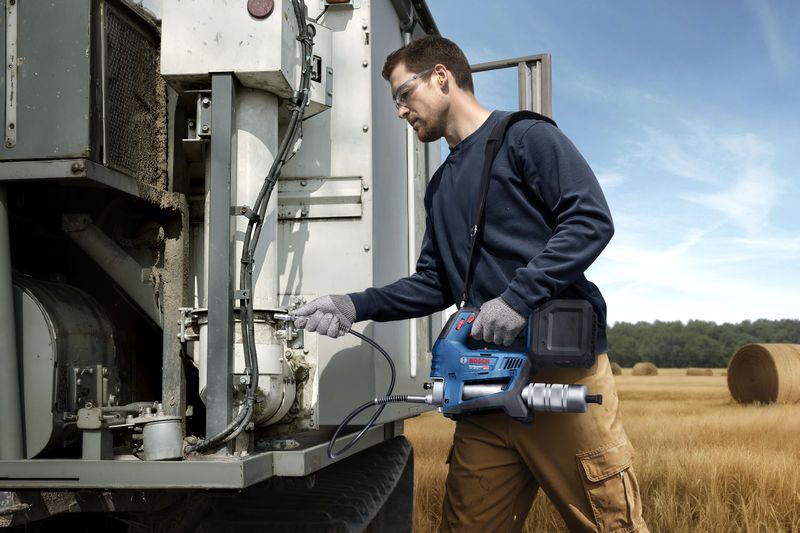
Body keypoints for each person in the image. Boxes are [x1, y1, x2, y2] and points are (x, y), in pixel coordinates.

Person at [292, 35, 649, 533]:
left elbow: (589, 219)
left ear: (441, 77)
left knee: (611, 525)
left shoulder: (526, 137)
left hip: (561, 380)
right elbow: (434, 283)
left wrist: (518, 299)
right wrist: (354, 304)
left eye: (404, 94)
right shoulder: (440, 186)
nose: (400, 111)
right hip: (485, 389)